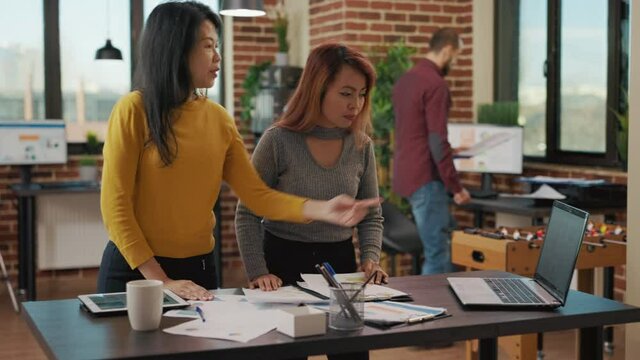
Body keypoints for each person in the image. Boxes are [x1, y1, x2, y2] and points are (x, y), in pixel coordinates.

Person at [97, 1, 378, 301]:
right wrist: (162, 280)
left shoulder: (218, 118)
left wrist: (321, 209)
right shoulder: (133, 110)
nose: (218, 57)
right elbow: (116, 209)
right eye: (208, 46)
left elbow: (257, 196)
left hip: (200, 268)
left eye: (217, 46)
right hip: (137, 273)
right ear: (175, 49)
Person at [236, 43, 384, 360]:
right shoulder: (277, 140)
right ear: (318, 89)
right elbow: (247, 213)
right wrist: (258, 271)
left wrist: (370, 259)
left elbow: (371, 215)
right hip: (282, 263)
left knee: (351, 353)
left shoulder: (362, 145)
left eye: (361, 94)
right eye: (346, 93)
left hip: (340, 265)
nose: (355, 104)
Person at [392, 28, 471, 275]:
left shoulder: (406, 80)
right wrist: (456, 187)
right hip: (426, 180)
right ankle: (432, 310)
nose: (455, 63)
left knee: (449, 240)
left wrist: (449, 150)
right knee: (437, 254)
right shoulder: (435, 84)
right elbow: (437, 141)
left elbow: (415, 132)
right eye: (456, 56)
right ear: (447, 50)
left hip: (407, 175)